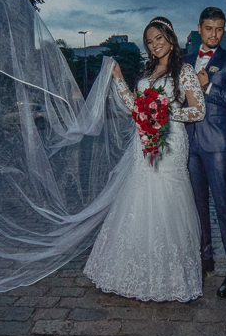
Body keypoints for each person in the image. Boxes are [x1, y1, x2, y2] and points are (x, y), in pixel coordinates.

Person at [82, 17, 208, 302]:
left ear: (171, 39)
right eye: (150, 41)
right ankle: (132, 273)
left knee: (167, 201)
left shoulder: (185, 71)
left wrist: (165, 112)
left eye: (159, 39)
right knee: (138, 198)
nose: (155, 45)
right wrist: (118, 79)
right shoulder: (147, 72)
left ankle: (170, 278)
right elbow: (135, 109)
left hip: (172, 142)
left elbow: (198, 111)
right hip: (144, 143)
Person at [185, 7, 226, 298]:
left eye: (219, 29)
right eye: (209, 28)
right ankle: (205, 260)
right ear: (199, 28)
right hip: (190, 145)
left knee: (225, 207)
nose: (214, 34)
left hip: (219, 146)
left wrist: (208, 86)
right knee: (196, 208)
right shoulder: (185, 62)